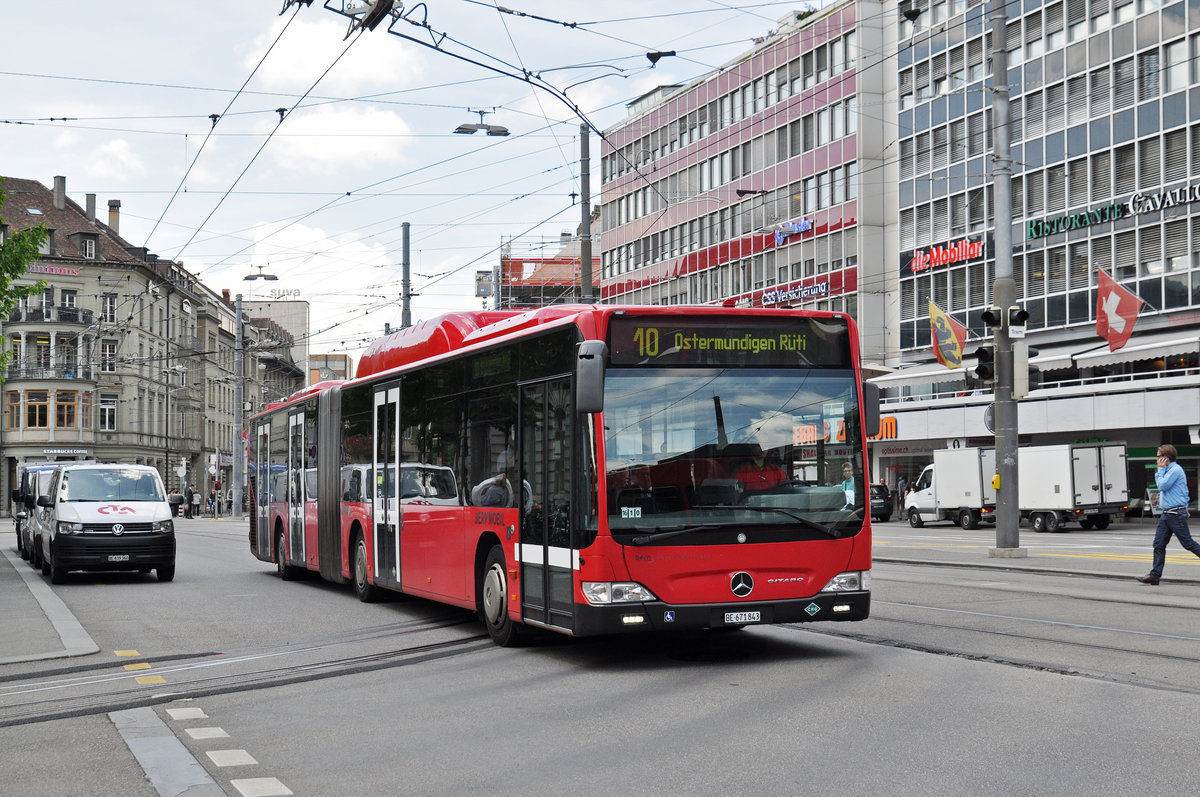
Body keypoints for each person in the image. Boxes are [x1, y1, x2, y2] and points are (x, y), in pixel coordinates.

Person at [1138, 444, 1200, 584]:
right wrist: (1185, 506)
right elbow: (1183, 491)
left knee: (1188, 543)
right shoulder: (1168, 470)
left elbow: (1162, 486)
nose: (1156, 459)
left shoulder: (1175, 470)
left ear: (1166, 458)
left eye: (1158, 456)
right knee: (1158, 544)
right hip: (1167, 514)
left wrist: (1160, 470)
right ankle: (1155, 576)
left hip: (1175, 514)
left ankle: (1155, 575)